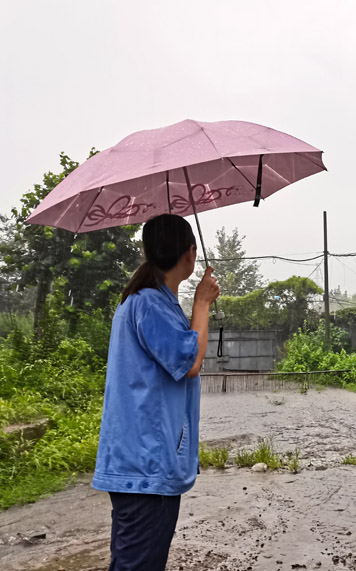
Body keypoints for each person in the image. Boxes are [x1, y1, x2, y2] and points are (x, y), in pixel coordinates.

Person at [92, 214, 220, 571]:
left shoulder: (152, 302)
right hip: (145, 464)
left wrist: (195, 309)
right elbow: (190, 362)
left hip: (144, 462)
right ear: (189, 254)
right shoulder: (150, 303)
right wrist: (203, 305)